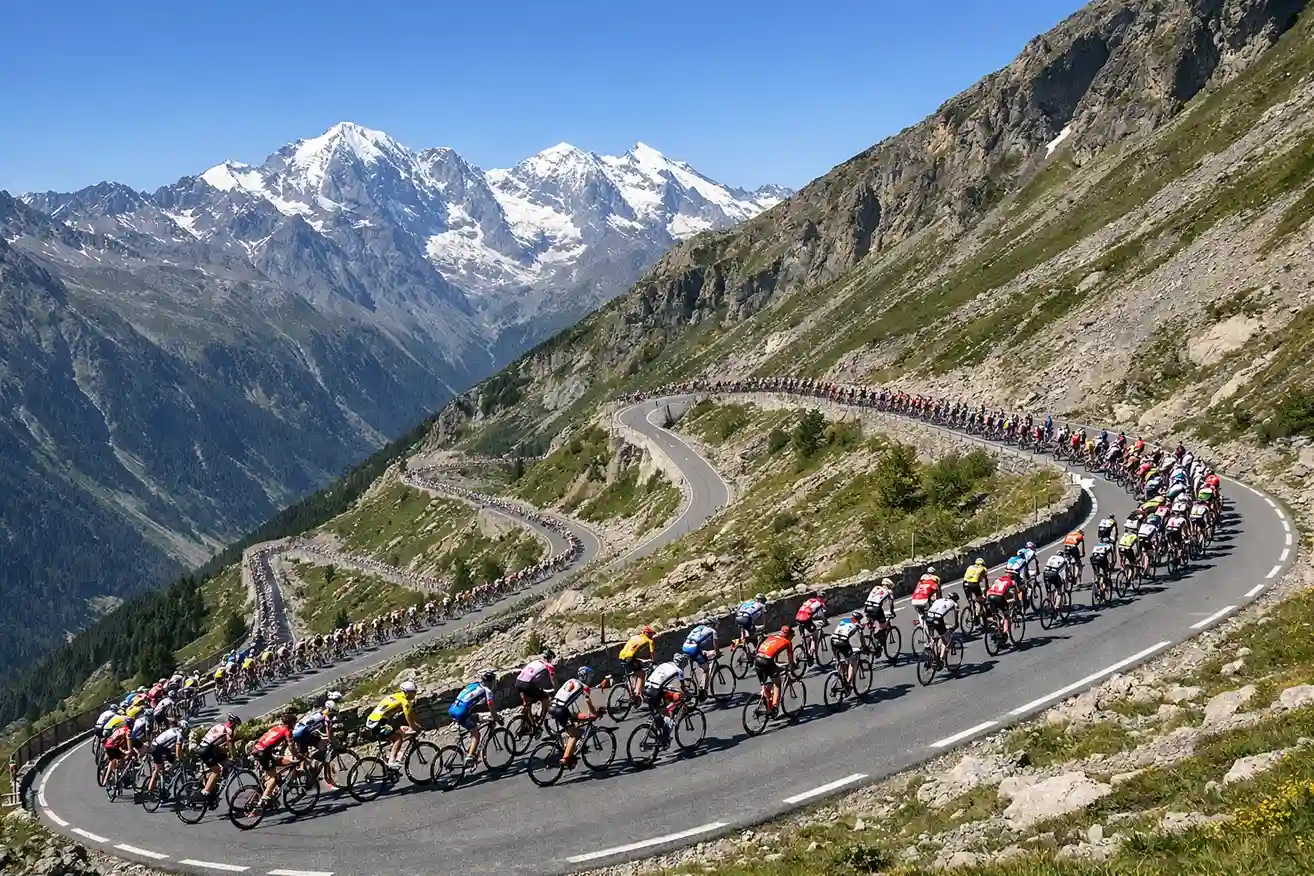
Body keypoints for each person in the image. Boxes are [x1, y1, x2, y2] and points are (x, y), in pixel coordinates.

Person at [549, 668, 601, 768]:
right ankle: (565, 759)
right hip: (561, 710)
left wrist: (582, 716)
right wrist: (594, 713)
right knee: (575, 734)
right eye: (589, 677)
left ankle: (569, 749)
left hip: (553, 706)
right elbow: (588, 701)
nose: (590, 680)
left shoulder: (571, 680)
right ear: (585, 677)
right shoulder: (584, 686)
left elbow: (574, 708)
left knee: (574, 724)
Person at [365, 681, 422, 770]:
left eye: (415, 691)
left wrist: (417, 724)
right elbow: (409, 718)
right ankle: (391, 761)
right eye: (413, 692)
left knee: (400, 730)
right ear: (407, 692)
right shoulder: (405, 702)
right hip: (378, 723)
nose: (415, 693)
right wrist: (416, 728)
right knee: (398, 738)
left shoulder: (397, 695)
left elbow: (411, 714)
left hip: (373, 720)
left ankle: (391, 753)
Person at [449, 670, 499, 767]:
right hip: (461, 712)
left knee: (475, 719)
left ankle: (470, 750)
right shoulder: (487, 691)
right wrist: (497, 718)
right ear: (491, 682)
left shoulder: (474, 684)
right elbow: (491, 708)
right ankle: (470, 756)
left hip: (453, 708)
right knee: (476, 733)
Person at [252, 712, 296, 807]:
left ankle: (269, 792)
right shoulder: (287, 730)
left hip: (257, 749)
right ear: (290, 723)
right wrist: (296, 755)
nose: (294, 725)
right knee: (273, 778)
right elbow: (291, 746)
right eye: (294, 723)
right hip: (264, 753)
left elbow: (268, 739)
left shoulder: (277, 727)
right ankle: (263, 799)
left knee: (275, 766)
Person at [197, 713, 242, 806]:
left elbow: (214, 742)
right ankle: (205, 792)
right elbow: (230, 744)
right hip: (207, 750)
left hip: (204, 747)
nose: (235, 728)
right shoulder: (229, 730)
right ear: (233, 724)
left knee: (224, 760)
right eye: (236, 725)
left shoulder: (219, 725)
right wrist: (233, 757)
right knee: (216, 770)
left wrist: (226, 756)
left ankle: (214, 787)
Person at [292, 701, 339, 786]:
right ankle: (310, 767)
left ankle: (312, 771)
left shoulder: (319, 712)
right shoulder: (326, 717)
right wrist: (334, 742)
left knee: (321, 747)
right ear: (329, 710)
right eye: (333, 712)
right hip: (302, 734)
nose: (333, 715)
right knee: (317, 750)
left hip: (300, 732)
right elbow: (329, 734)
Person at [643, 655, 687, 743]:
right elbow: (684, 688)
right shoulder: (679, 670)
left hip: (647, 687)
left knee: (659, 708)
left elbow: (660, 679)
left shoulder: (665, 664)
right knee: (667, 713)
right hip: (655, 691)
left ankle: (656, 727)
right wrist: (688, 694)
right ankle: (664, 736)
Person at [753, 626, 797, 711]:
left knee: (764, 684)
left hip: (757, 659)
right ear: (788, 635)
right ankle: (775, 707)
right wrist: (791, 666)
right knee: (777, 683)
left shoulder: (771, 637)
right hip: (767, 661)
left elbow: (772, 652)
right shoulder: (787, 642)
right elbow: (790, 658)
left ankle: (764, 696)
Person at [514, 650, 556, 723]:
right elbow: (553, 681)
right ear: (550, 658)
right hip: (527, 685)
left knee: (527, 705)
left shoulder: (535, 662)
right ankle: (540, 721)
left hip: (518, 682)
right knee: (546, 698)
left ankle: (527, 725)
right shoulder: (549, 666)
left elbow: (534, 677)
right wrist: (556, 690)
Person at [681, 619, 718, 696]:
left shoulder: (698, 628)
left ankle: (692, 681)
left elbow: (697, 642)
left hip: (685, 647)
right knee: (706, 669)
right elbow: (715, 644)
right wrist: (717, 652)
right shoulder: (712, 630)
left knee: (700, 657)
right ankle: (702, 689)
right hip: (694, 649)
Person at [830, 611, 865, 690]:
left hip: (833, 640)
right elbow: (862, 639)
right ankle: (848, 684)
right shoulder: (858, 625)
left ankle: (839, 674)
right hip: (843, 642)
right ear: (859, 619)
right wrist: (864, 648)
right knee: (853, 660)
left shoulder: (845, 620)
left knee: (838, 660)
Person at [618, 626, 656, 695]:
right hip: (630, 658)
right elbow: (652, 654)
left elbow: (631, 649)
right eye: (652, 634)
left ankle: (632, 693)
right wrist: (653, 661)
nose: (653, 635)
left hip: (621, 656)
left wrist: (640, 659)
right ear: (649, 634)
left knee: (635, 671)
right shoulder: (649, 640)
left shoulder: (634, 637)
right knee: (641, 673)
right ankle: (637, 693)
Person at [924, 593, 959, 665]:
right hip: (937, 619)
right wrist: (955, 625)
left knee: (934, 638)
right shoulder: (954, 604)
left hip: (928, 618)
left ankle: (932, 652)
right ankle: (941, 658)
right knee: (946, 638)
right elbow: (955, 618)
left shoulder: (939, 600)